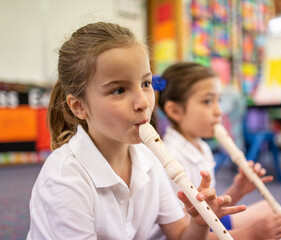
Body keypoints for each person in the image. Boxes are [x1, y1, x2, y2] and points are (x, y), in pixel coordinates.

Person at [26, 22, 246, 240]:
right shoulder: (65, 178)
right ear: (79, 107)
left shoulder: (149, 159)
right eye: (119, 90)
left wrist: (198, 223)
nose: (143, 102)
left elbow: (179, 235)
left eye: (146, 84)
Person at [153, 62, 281, 240]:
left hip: (203, 225)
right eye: (207, 101)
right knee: (268, 230)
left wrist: (238, 189)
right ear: (175, 111)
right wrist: (250, 235)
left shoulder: (201, 146)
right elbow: (190, 231)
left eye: (218, 101)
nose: (219, 111)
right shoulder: (171, 159)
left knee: (270, 212)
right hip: (190, 233)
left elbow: (209, 210)